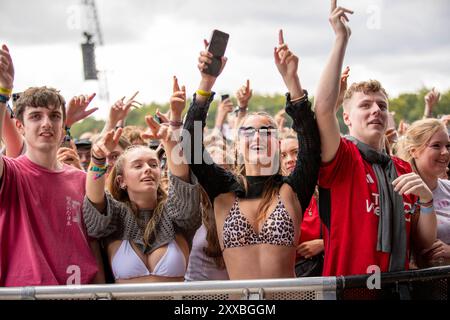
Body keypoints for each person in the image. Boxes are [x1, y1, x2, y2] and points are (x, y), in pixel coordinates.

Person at [182, 31, 321, 280]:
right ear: (238, 143)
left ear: (277, 144)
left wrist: (292, 80)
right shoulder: (223, 189)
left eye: (266, 131)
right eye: (248, 131)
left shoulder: (292, 190)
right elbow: (191, 147)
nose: (257, 137)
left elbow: (310, 144)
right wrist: (206, 83)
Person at [313, 1, 436, 277]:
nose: (376, 110)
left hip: (398, 291)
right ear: (346, 118)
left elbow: (424, 243)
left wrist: (427, 201)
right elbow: (321, 109)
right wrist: (341, 39)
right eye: (365, 105)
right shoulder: (342, 156)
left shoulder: (404, 169)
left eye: (382, 105)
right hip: (349, 291)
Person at [82, 76, 201, 283]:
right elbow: (94, 203)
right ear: (121, 181)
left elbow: (182, 181)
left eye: (153, 164)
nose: (148, 169)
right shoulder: (116, 215)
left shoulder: (174, 212)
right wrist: (98, 159)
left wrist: (170, 139)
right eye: (138, 166)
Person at [0, 44, 100, 286]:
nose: (47, 123)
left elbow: (93, 245)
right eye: (36, 116)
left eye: (54, 116)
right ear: (20, 126)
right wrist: (3, 93)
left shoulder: (80, 179)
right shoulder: (11, 173)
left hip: (80, 293)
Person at [397, 119, 450, 267]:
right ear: (414, 151)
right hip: (422, 286)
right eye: (436, 146)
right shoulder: (401, 193)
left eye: (448, 146)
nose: (445, 152)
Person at [280, 132, 324, 277]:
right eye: (283, 155)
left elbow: (347, 232)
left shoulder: (325, 191)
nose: (290, 160)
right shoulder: (272, 196)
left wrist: (324, 244)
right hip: (285, 279)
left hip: (320, 275)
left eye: (295, 152)